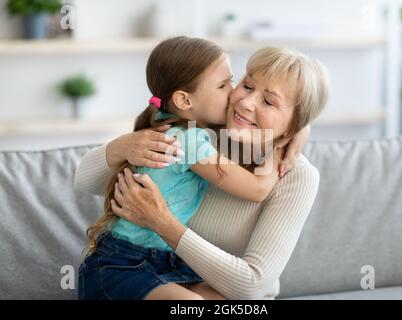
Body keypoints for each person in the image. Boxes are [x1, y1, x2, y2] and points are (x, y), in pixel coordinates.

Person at [74, 44, 329, 300]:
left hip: (206, 285)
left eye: (269, 101)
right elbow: (85, 181)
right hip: (138, 269)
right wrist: (121, 147)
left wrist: (162, 222)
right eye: (247, 86)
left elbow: (250, 286)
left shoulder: (297, 177)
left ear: (293, 125)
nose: (245, 101)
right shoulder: (203, 135)